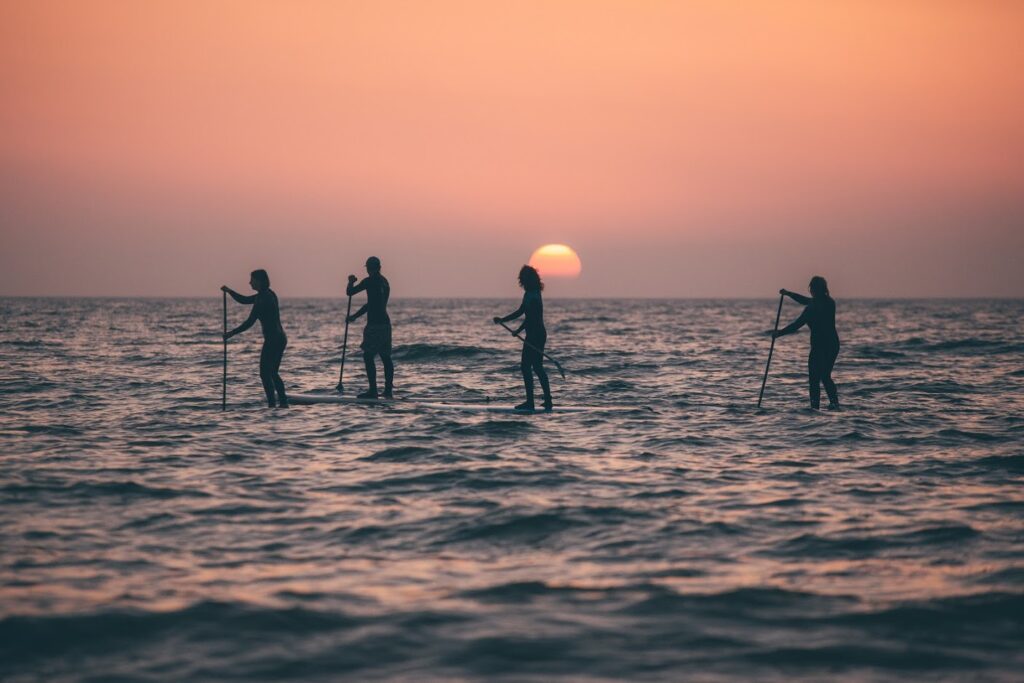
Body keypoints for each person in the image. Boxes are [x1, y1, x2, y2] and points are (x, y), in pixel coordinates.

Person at [222, 269, 288, 408]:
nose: (249, 282)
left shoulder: (262, 299)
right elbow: (245, 300)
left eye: (252, 279)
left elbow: (250, 322)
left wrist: (231, 333)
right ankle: (283, 403)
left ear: (259, 281)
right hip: (280, 338)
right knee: (273, 373)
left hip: (273, 341)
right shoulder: (268, 294)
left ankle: (272, 404)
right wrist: (230, 291)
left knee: (265, 374)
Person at [773, 275, 840, 410]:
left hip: (820, 347)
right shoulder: (829, 302)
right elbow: (805, 300)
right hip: (832, 345)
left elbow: (796, 325)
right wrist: (789, 294)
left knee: (815, 379)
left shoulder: (812, 308)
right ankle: (834, 404)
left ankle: (815, 408)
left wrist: (779, 333)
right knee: (825, 376)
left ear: (814, 290)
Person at [493, 265, 552, 411]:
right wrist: (503, 320)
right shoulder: (530, 293)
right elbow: (521, 312)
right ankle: (546, 401)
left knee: (527, 367)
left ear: (530, 278)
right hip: (534, 334)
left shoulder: (534, 295)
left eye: (525, 276)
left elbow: (532, 318)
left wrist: (518, 329)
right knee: (536, 367)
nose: (523, 279)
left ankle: (532, 402)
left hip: (536, 335)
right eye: (522, 276)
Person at [346, 256, 394, 399]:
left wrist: (350, 282)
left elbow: (350, 293)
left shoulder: (370, 281)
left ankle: (373, 391)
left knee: (368, 356)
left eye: (367, 267)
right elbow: (376, 303)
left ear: (369, 268)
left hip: (375, 324)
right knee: (386, 357)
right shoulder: (385, 282)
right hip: (386, 324)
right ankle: (388, 391)